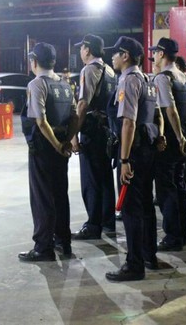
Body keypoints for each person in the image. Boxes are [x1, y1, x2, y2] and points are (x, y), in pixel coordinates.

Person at [105, 36, 160, 282]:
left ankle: (134, 264)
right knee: (146, 204)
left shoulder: (128, 80)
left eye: (115, 53)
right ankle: (149, 255)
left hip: (133, 153)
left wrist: (124, 160)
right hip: (147, 151)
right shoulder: (147, 80)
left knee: (131, 209)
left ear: (125, 55)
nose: (112, 57)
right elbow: (156, 114)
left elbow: (128, 122)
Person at [18, 43, 79, 262]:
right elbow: (75, 116)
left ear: (34, 61)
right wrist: (66, 142)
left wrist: (55, 144)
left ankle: (43, 247)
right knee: (60, 195)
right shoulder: (64, 84)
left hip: (44, 149)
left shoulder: (37, 84)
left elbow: (41, 122)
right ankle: (64, 241)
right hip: (61, 148)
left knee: (42, 197)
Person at [150, 37, 186, 251]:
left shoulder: (163, 78)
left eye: (155, 53)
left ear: (161, 54)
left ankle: (172, 236)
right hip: (184, 139)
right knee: (179, 186)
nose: (153, 57)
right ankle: (184, 230)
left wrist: (178, 137)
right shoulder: (185, 78)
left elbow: (169, 110)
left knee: (166, 189)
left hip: (169, 140)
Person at [71, 34, 118, 240]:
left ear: (87, 49)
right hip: (107, 129)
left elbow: (83, 104)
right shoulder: (109, 70)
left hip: (93, 130)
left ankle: (93, 225)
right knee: (106, 178)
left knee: (91, 180)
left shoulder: (89, 69)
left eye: (81, 48)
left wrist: (73, 134)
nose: (80, 52)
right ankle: (107, 222)